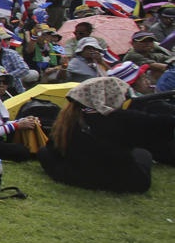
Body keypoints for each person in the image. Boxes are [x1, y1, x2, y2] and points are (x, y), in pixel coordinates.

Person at [38, 77, 175, 193]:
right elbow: (162, 124)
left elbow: (53, 149)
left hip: (75, 176)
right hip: (116, 181)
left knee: (44, 152)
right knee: (143, 153)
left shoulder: (67, 119)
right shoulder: (122, 119)